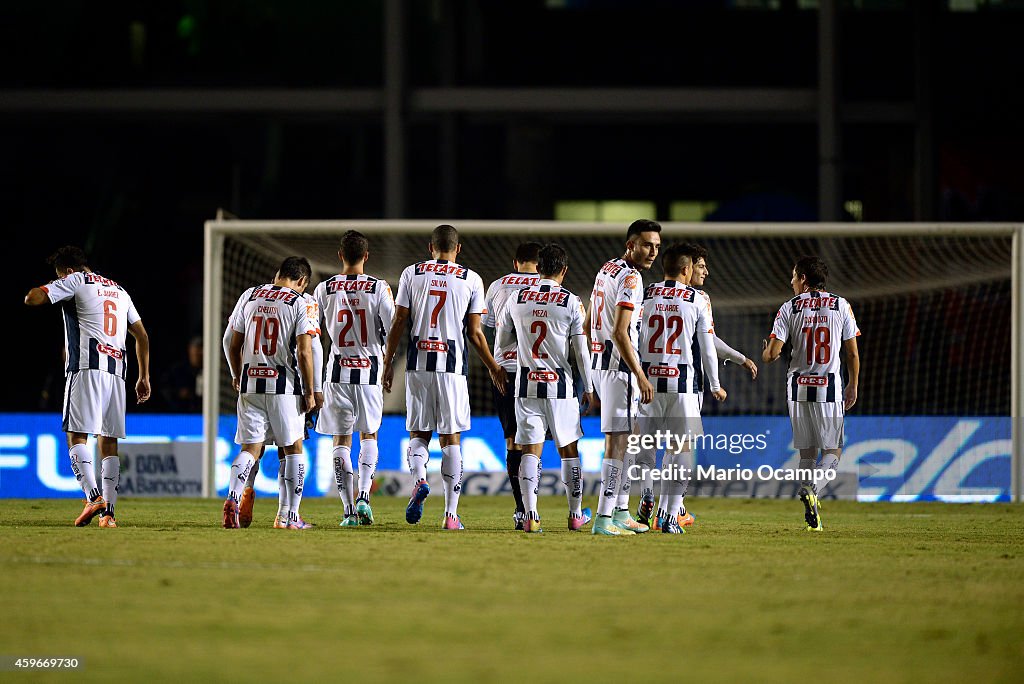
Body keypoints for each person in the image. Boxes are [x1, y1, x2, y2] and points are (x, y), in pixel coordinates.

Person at [382, 224, 507, 530]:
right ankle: (451, 515)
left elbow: (399, 319)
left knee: (418, 433)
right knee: (451, 440)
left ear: (430, 247)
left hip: (418, 363)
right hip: (452, 366)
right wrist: (492, 366)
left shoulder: (411, 273)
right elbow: (476, 333)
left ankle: (420, 480)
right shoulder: (472, 279)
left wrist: (387, 362)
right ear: (458, 249)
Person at [24, 245, 151, 528]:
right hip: (117, 373)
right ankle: (109, 516)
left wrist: (52, 286)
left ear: (69, 271)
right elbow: (141, 335)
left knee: (76, 435)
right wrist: (144, 376)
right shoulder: (119, 290)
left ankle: (93, 497)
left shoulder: (75, 280)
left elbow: (32, 299)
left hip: (86, 367)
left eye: (60, 276)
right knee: (108, 441)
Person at [636, 241, 759, 529]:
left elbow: (633, 334)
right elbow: (707, 347)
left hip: (648, 383)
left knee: (646, 450)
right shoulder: (696, 300)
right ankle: (669, 516)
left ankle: (645, 496)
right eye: (697, 266)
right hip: (683, 384)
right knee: (682, 450)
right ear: (685, 268)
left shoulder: (646, 293)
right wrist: (715, 384)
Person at [496, 243, 595, 533]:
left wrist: (524, 345)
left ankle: (530, 515)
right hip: (560, 388)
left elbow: (502, 342)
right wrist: (588, 387)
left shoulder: (517, 299)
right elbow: (581, 350)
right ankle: (575, 515)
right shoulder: (572, 302)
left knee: (530, 450)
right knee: (568, 449)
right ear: (564, 270)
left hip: (526, 385)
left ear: (538, 268)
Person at [762, 255, 860, 532]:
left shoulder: (789, 307)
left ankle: (810, 501)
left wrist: (765, 350)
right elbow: (852, 352)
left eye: (793, 277)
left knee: (807, 451)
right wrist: (853, 384)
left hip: (798, 387)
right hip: (829, 386)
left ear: (803, 278)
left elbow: (771, 354)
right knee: (833, 450)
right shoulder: (841, 305)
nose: (791, 282)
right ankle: (813, 487)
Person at [222, 256, 319, 530]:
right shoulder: (299, 302)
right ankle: (288, 517)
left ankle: (232, 498)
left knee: (250, 449)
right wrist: (309, 391)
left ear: (278, 273)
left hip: (250, 383)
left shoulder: (250, 295)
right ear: (301, 281)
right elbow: (303, 351)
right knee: (293, 450)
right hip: (283, 386)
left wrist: (235, 374)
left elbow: (230, 341)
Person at [313, 230, 395, 527]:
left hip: (336, 373)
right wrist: (390, 364)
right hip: (369, 371)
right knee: (369, 435)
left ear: (339, 255)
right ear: (366, 256)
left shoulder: (323, 289)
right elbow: (391, 327)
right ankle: (364, 496)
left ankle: (348, 512)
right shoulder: (379, 287)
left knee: (340, 440)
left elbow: (311, 332)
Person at [586, 219, 660, 536]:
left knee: (626, 438)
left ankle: (620, 511)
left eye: (657, 247)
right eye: (647, 245)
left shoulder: (608, 268)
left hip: (601, 363)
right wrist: (640, 376)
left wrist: (589, 365)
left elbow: (590, 316)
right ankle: (604, 519)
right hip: (619, 369)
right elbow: (619, 332)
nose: (653, 252)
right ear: (631, 245)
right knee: (617, 442)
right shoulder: (631, 278)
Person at [483, 241, 542, 530]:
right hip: (538, 371)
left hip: (504, 370)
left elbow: (488, 328)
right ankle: (538, 509)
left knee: (512, 441)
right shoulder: (549, 288)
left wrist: (493, 366)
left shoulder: (497, 286)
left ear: (516, 261)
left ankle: (521, 510)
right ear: (540, 264)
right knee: (535, 442)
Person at [160, 336, 203, 412]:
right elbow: (165, 389)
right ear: (190, 349)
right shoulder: (177, 370)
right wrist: (178, 393)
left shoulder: (210, 372)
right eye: (195, 348)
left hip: (202, 413)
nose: (197, 352)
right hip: (179, 414)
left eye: (201, 348)